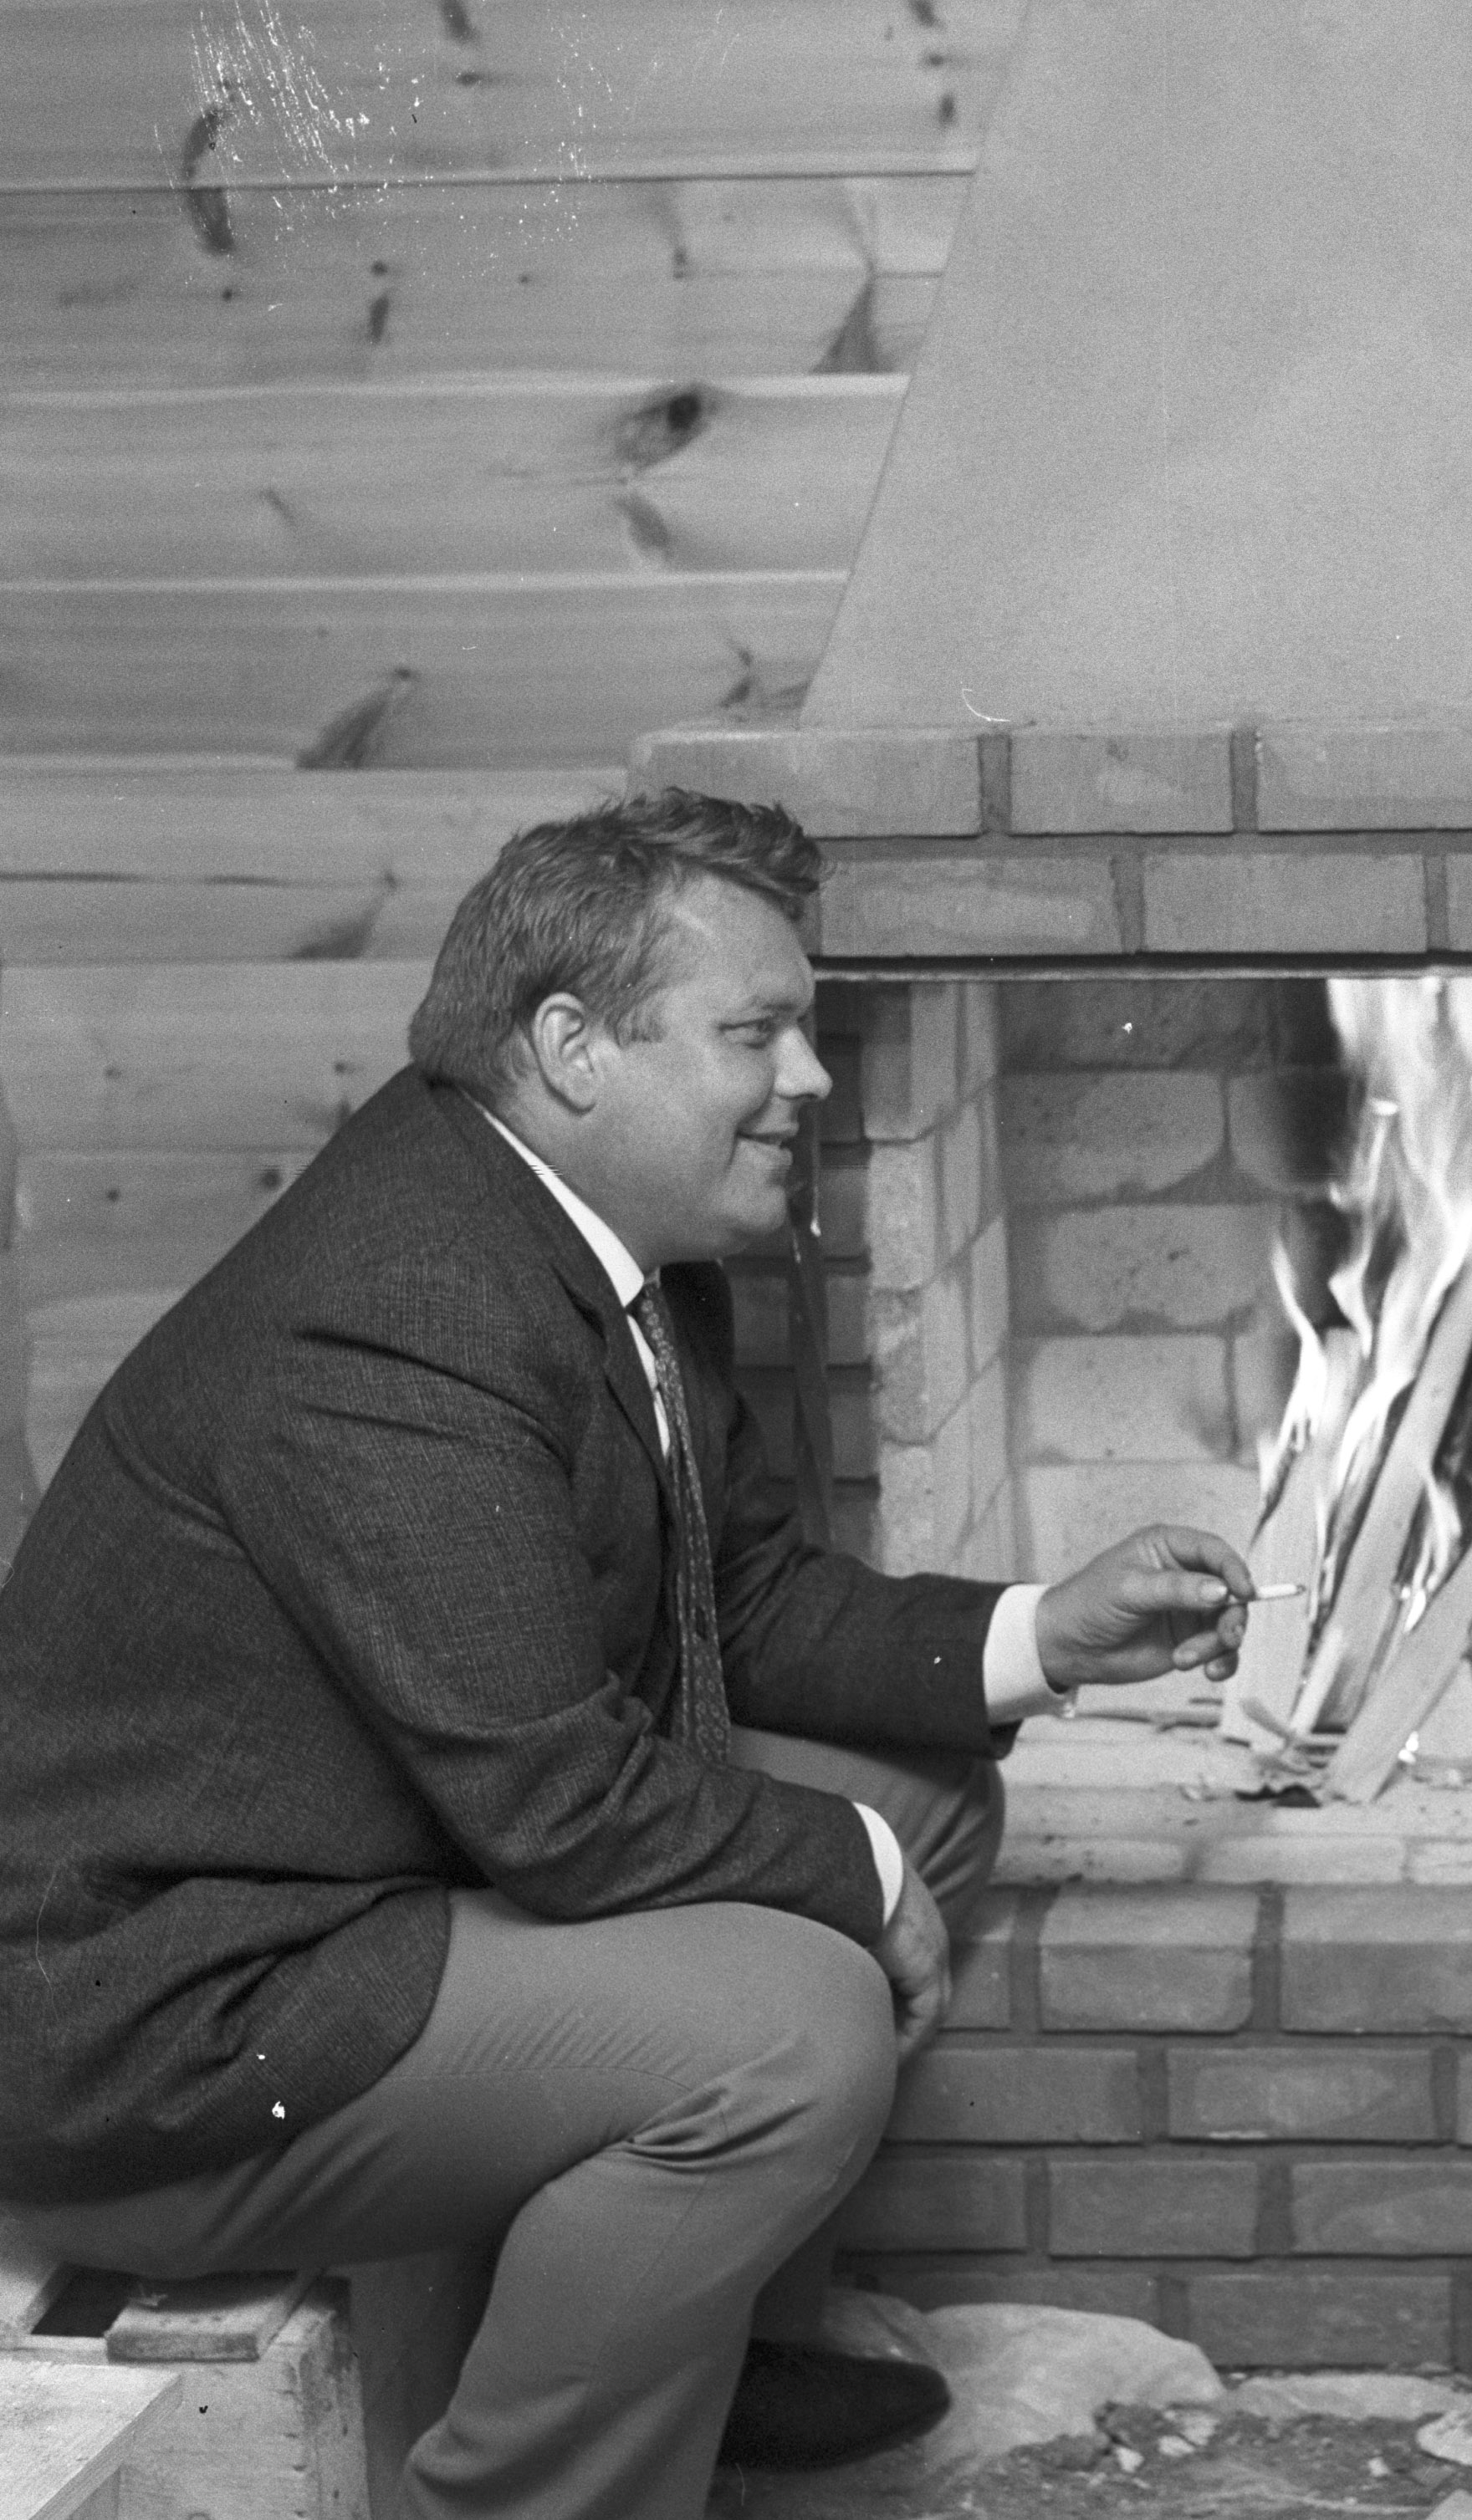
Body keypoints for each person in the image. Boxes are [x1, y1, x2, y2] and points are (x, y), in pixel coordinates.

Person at [0, 789, 1255, 2520]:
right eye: (756, 1032)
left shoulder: (601, 1235)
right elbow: (560, 1803)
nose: (809, 1078)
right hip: (178, 2017)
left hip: (383, 1869)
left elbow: (738, 1602)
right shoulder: (397, 1315)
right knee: (792, 2031)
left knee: (924, 1792)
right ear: (573, 1048)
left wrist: (1045, 1634)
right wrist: (856, 1873)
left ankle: (697, 2345)